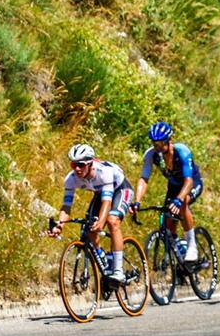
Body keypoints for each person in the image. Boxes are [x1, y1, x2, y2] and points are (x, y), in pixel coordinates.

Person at [46, 144, 136, 282]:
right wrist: (60, 225)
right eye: (73, 164)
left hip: (121, 189)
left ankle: (118, 271)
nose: (77, 168)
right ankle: (103, 257)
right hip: (100, 194)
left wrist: (101, 222)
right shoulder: (71, 179)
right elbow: (66, 205)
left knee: (112, 221)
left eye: (81, 165)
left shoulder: (103, 172)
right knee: (89, 229)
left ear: (90, 163)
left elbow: (107, 202)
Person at [137, 121, 204, 264]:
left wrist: (179, 199)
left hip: (192, 182)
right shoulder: (151, 155)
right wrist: (137, 200)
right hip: (174, 186)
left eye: (160, 143)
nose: (157, 147)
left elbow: (189, 181)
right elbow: (144, 179)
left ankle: (192, 245)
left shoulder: (182, 151)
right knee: (169, 221)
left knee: (183, 203)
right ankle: (178, 256)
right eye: (154, 144)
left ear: (169, 141)